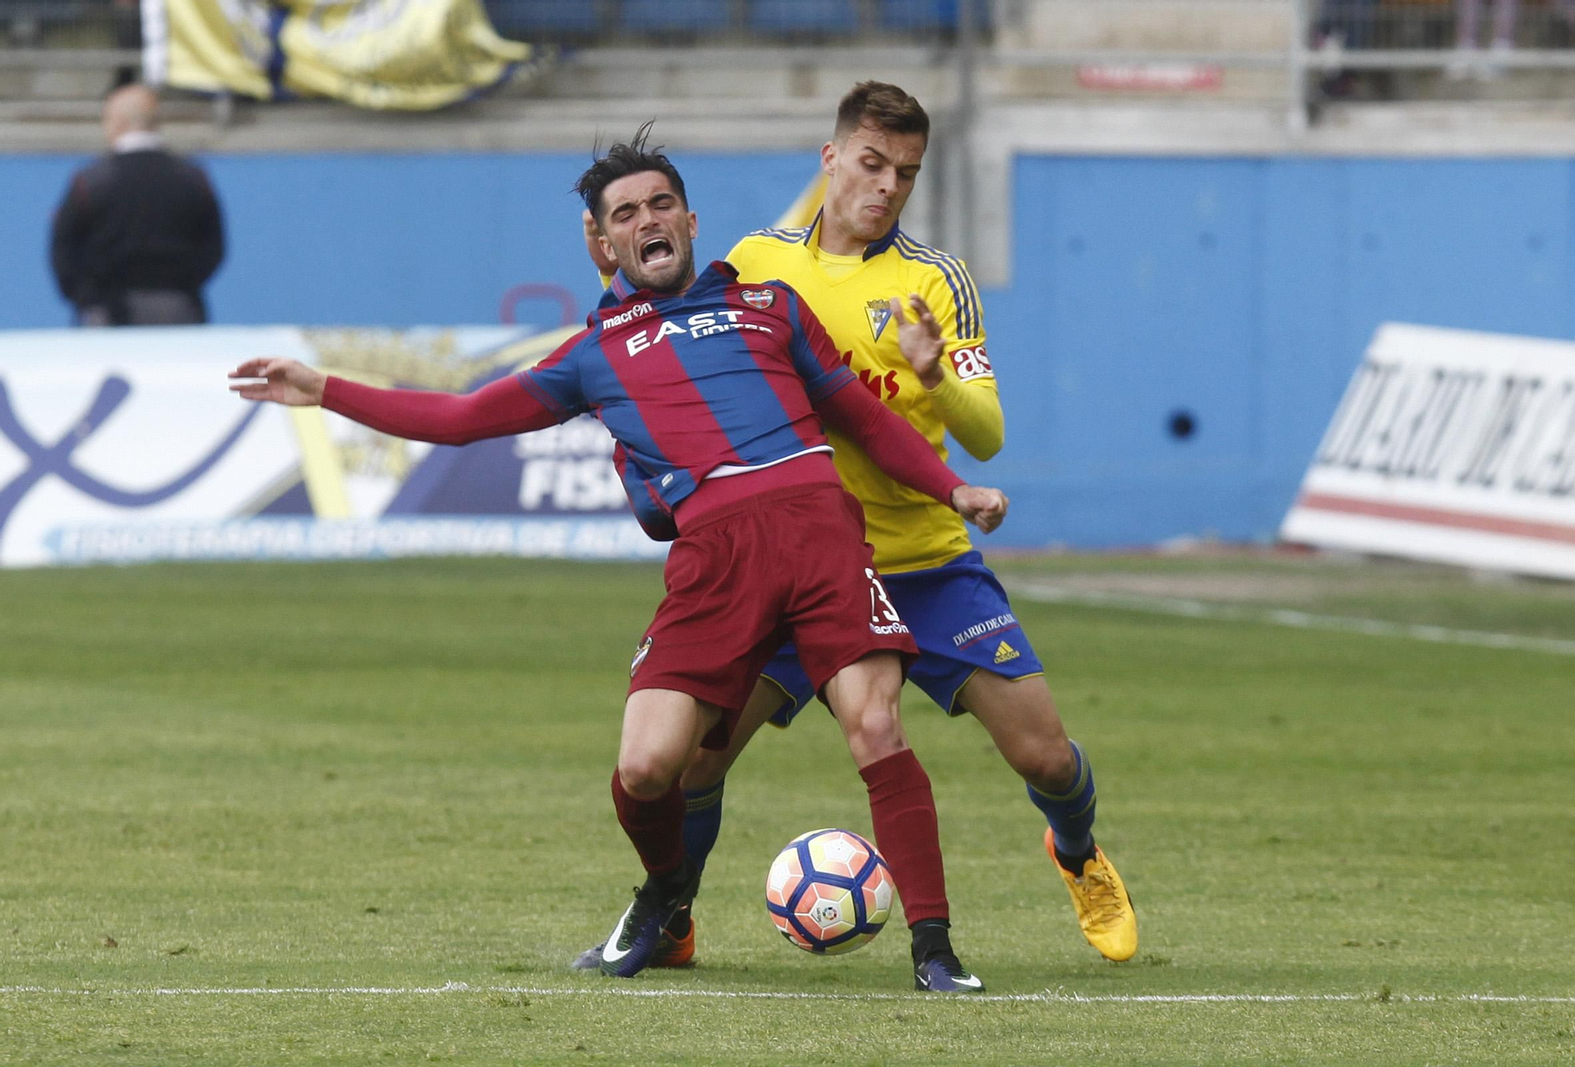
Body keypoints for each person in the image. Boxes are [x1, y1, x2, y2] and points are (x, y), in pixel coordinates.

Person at [228, 129, 1008, 993]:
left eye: (662, 203)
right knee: (645, 767)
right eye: (628, 213)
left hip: (820, 529)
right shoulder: (593, 354)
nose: (650, 220)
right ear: (605, 243)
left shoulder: (773, 305)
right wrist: (324, 387)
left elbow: (861, 418)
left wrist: (952, 488)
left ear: (690, 219)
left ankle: (935, 948)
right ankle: (669, 893)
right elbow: (459, 418)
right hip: (717, 560)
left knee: (877, 726)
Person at [573, 81, 1137, 975]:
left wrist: (934, 376)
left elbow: (985, 432)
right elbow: (663, 350)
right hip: (797, 569)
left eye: (905, 175)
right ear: (830, 159)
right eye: (872, 164)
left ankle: (1076, 851)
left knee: (1047, 755)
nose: (886, 188)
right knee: (695, 764)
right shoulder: (756, 266)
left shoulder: (934, 280)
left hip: (925, 562)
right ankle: (673, 914)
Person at [50, 83, 225, 327]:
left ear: (119, 123)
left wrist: (88, 299)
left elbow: (64, 249)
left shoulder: (89, 182)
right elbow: (213, 247)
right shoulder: (192, 178)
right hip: (178, 311)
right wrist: (183, 285)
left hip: (106, 314)